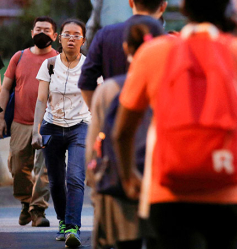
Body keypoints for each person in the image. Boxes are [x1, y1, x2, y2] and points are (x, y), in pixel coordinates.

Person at [113, 0, 237, 249]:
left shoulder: (152, 53)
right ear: (226, 6)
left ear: (183, 6)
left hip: (167, 192)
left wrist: (128, 175)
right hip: (229, 192)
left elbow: (122, 131)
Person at [87, 16, 164, 249]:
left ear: (126, 48)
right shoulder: (172, 87)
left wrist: (96, 188)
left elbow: (93, 149)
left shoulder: (109, 89)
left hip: (121, 188)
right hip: (163, 190)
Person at [31, 19, 91, 248]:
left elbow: (96, 100)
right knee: (56, 181)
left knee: (75, 177)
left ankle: (73, 227)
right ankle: (63, 221)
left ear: (83, 40)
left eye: (76, 35)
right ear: (60, 38)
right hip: (52, 126)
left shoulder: (90, 66)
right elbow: (41, 100)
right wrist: (36, 130)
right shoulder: (49, 65)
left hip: (80, 126)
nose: (71, 39)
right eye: (67, 34)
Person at [0, 17, 59, 227]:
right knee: (17, 168)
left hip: (49, 124)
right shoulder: (19, 57)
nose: (42, 33)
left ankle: (38, 210)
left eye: (47, 30)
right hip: (20, 122)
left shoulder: (59, 60)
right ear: (32, 32)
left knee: (45, 169)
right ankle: (26, 203)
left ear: (54, 36)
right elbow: (6, 88)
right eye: (38, 29)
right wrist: (1, 117)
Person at [79, 0, 168, 107]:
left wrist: (102, 114)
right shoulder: (169, 42)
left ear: (131, 1)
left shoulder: (106, 34)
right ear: (163, 6)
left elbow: (86, 81)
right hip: (155, 116)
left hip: (114, 114)